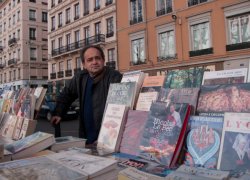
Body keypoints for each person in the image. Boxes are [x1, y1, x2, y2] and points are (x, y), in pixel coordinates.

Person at [50, 45, 122, 145]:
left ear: (103, 60)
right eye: (90, 60)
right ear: (84, 64)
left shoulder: (115, 77)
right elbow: (67, 94)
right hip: (86, 137)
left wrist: (106, 137)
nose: (94, 62)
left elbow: (119, 110)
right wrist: (58, 113)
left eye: (97, 58)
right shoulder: (80, 77)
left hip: (107, 139)